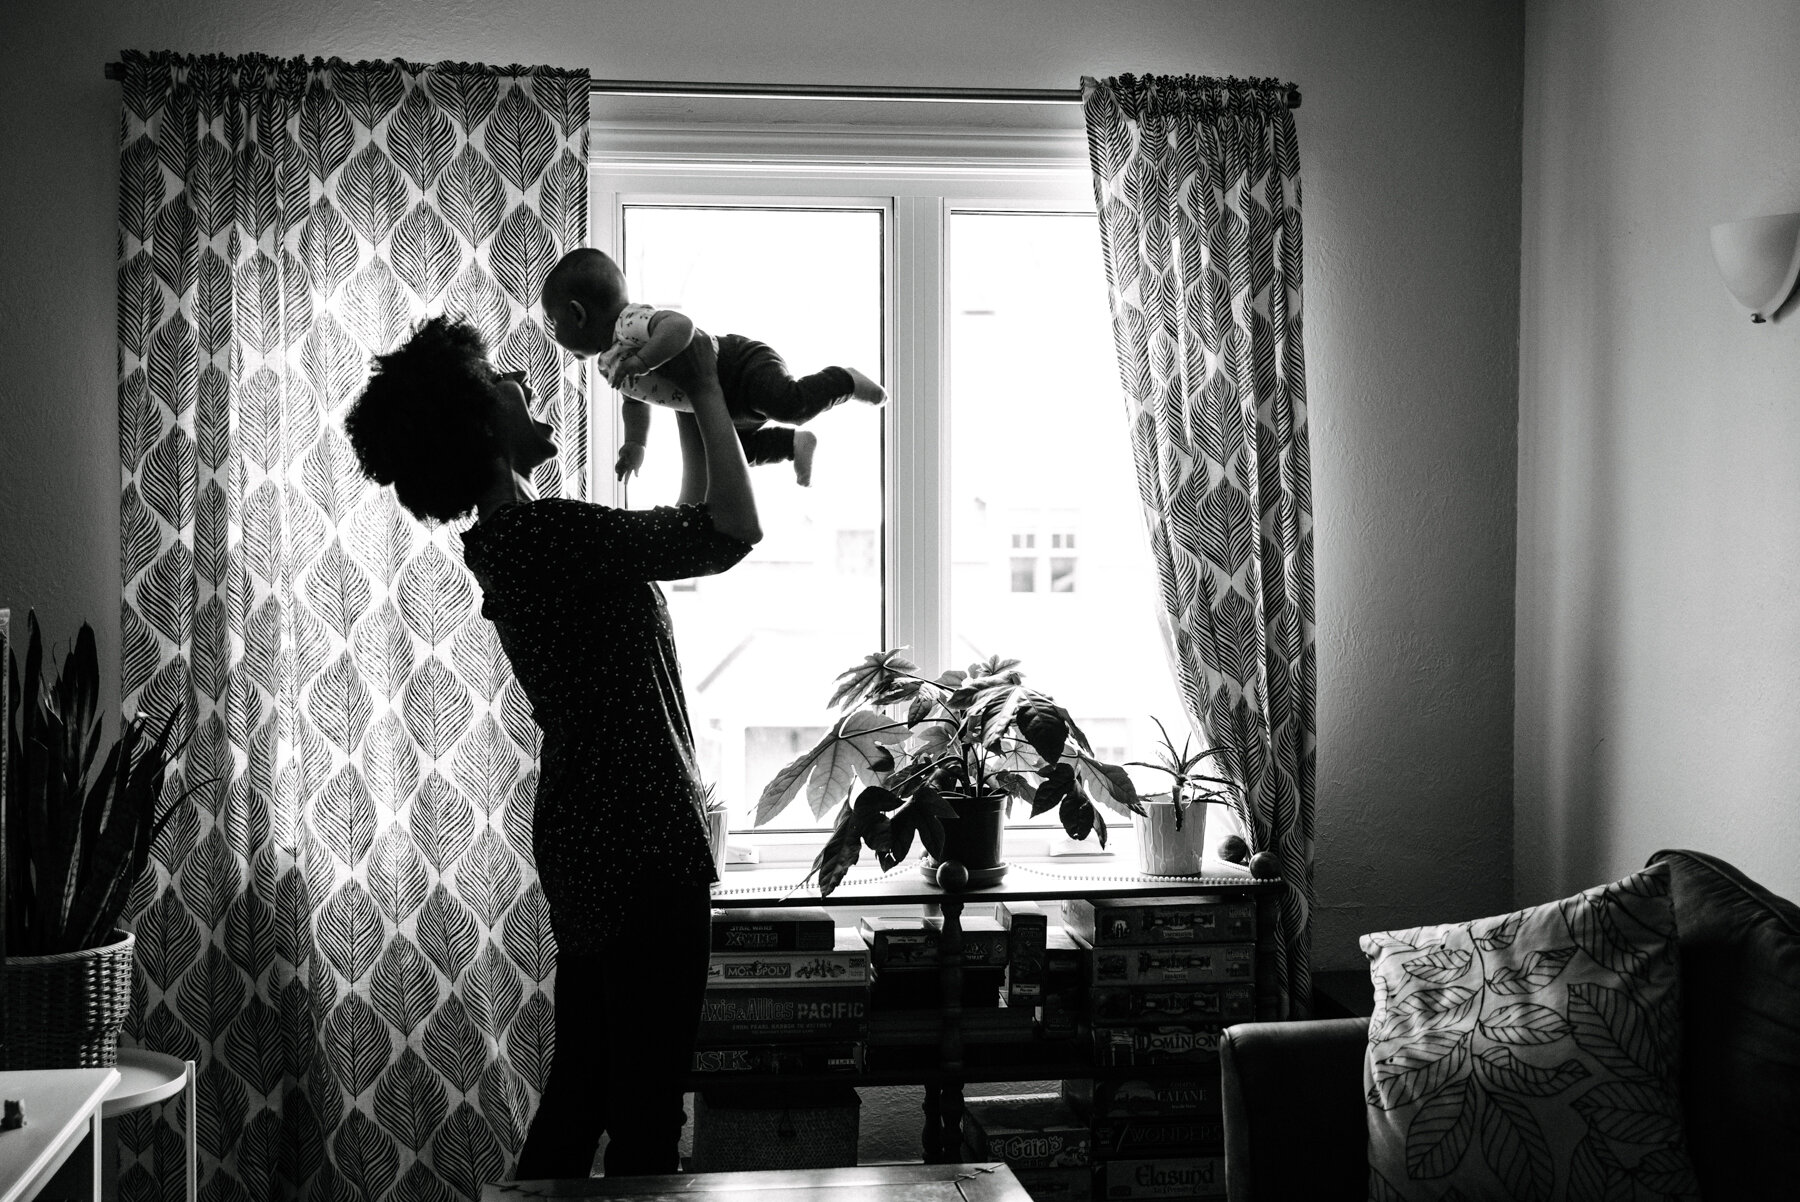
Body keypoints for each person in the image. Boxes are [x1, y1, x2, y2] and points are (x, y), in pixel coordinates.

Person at [343, 315, 761, 1180]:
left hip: (599, 831)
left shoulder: (526, 541)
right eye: (501, 379)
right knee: (638, 1110)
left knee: (591, 1086)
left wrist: (684, 403)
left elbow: (692, 523)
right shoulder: (546, 536)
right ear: (477, 428)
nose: (524, 386)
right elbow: (729, 531)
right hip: (636, 835)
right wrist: (709, 389)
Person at [539, 248, 886, 487]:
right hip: (720, 402)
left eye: (554, 321)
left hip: (739, 366)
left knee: (790, 405)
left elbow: (680, 326)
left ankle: (846, 380)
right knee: (733, 454)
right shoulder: (610, 360)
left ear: (577, 313)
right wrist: (635, 444)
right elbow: (635, 401)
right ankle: (793, 445)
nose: (553, 331)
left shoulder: (628, 322)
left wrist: (643, 361)